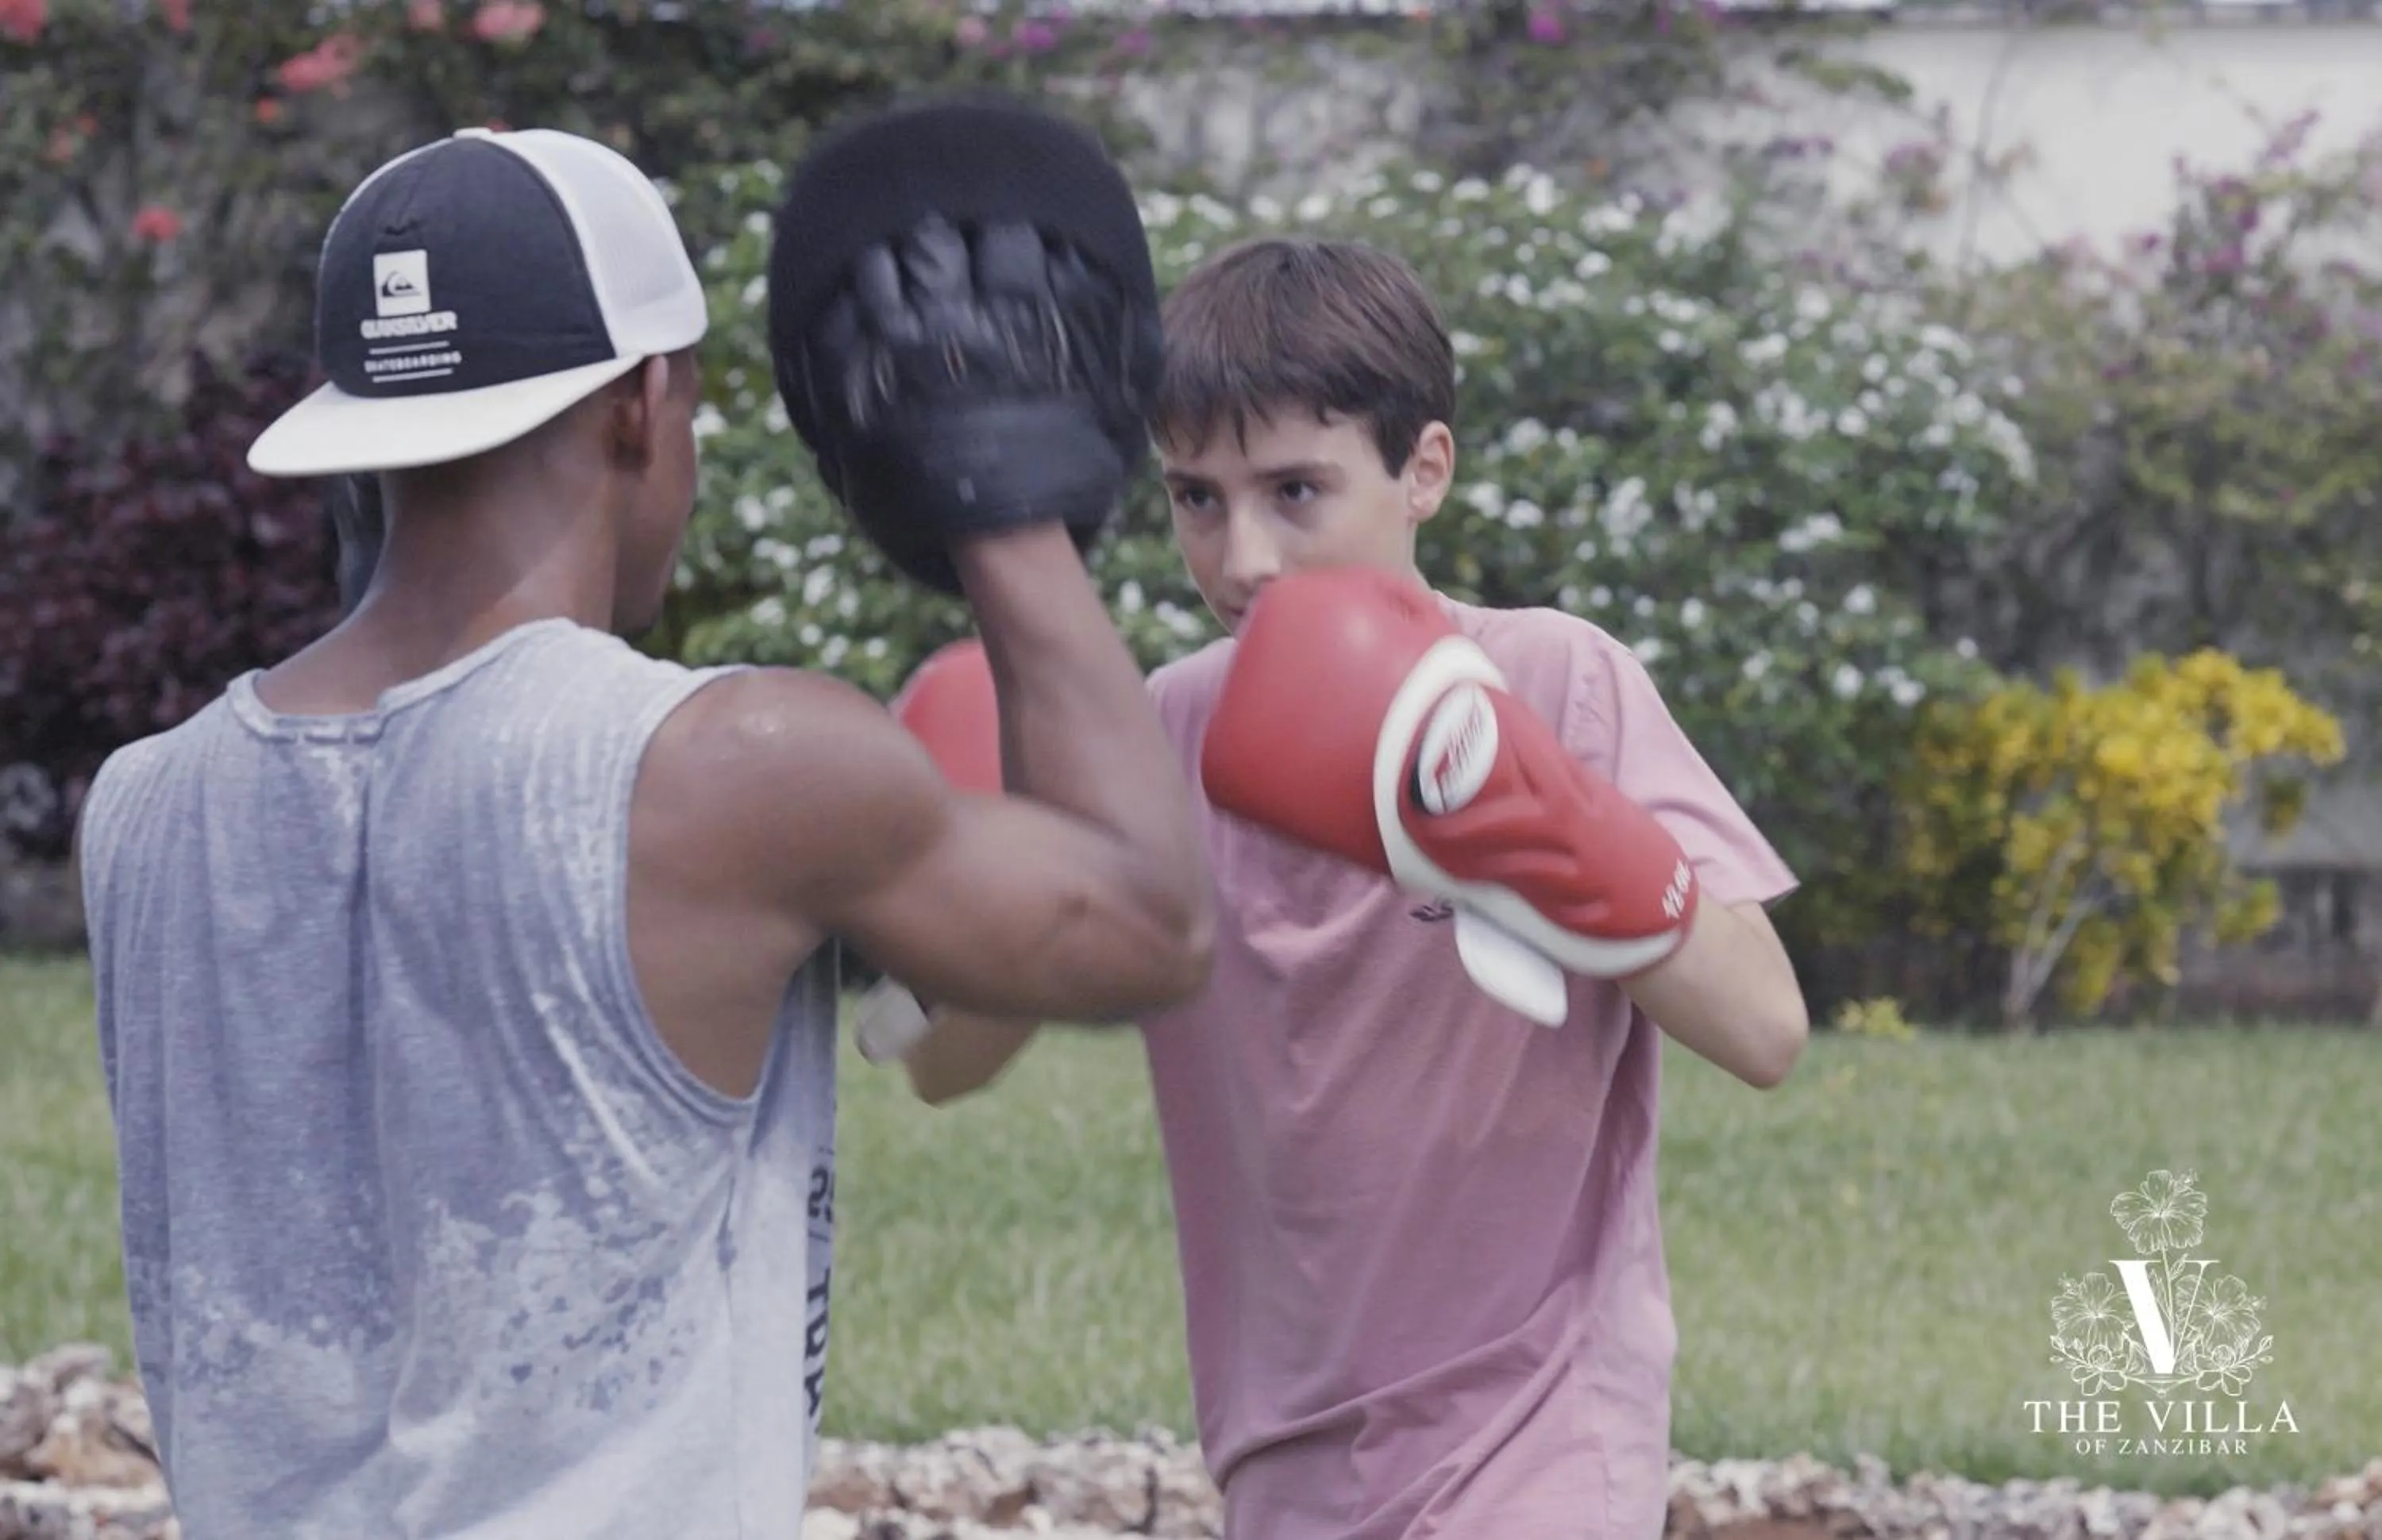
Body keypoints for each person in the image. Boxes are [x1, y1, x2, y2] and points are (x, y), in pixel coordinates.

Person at [71, 107, 1212, 1540]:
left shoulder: (143, 810)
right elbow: (1149, 925)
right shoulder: (727, 764)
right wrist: (1000, 496)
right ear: (639, 404)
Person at [881, 235, 1813, 1539]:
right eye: (1197, 499)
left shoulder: (1547, 683)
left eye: (1296, 492)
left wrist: (1537, 827)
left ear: (1423, 469)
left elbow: (1765, 1026)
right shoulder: (1159, 738)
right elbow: (945, 1068)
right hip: (1281, 1457)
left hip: (1539, 1439)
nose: (1243, 556)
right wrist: (970, 885)